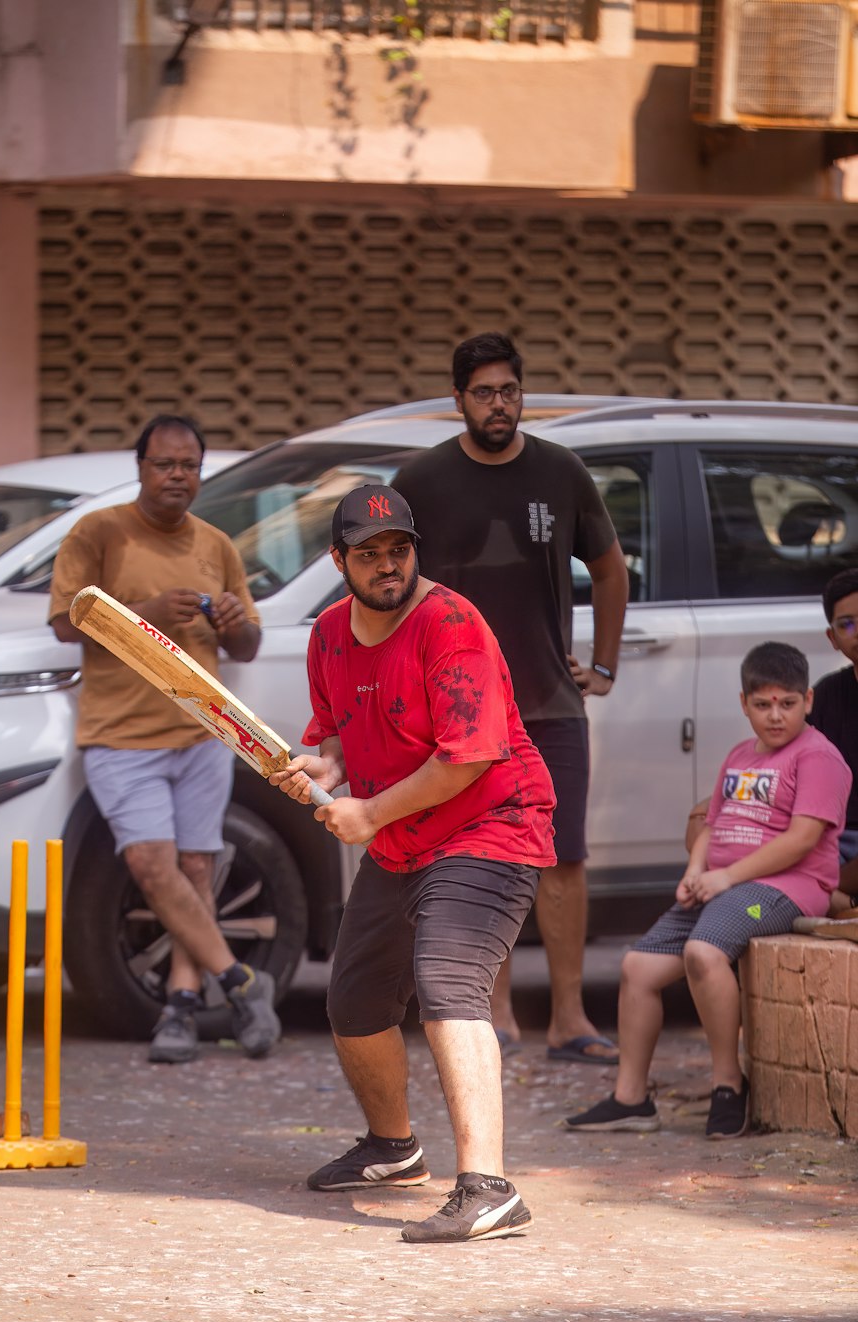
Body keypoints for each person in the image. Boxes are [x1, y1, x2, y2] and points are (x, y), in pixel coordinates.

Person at [271, 482, 556, 1243]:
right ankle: (394, 1149)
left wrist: (366, 813)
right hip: (407, 838)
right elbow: (336, 735)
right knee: (355, 999)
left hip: (490, 823)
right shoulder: (329, 633)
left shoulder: (451, 623)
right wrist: (323, 769)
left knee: (448, 982)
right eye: (369, 555)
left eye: (399, 550)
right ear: (340, 561)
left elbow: (467, 761)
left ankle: (488, 1187)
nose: (388, 566)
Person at [393, 331, 629, 1065]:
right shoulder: (422, 479)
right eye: (485, 392)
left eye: (510, 391)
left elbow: (611, 567)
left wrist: (605, 667)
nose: (500, 405)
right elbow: (389, 585)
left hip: (551, 700)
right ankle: (494, 1014)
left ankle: (569, 1017)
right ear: (458, 399)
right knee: (477, 855)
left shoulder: (560, 471)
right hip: (459, 712)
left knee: (563, 858)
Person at [49, 414, 280, 1064]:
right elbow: (66, 622)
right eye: (165, 464)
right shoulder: (99, 532)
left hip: (204, 730)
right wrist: (144, 617)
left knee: (198, 867)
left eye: (189, 466)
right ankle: (238, 981)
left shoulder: (217, 544)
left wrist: (235, 623)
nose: (178, 475)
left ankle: (180, 1004)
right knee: (153, 866)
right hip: (120, 738)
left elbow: (250, 644)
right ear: (141, 468)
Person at [566, 641, 851, 1140]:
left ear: (808, 700)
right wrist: (695, 871)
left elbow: (802, 839)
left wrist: (726, 878)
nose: (776, 716)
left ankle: (727, 1085)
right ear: (744, 704)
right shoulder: (740, 756)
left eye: (787, 703)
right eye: (763, 705)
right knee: (638, 967)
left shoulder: (818, 757)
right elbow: (714, 825)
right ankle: (631, 1098)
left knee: (703, 952)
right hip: (724, 886)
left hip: (786, 887)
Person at [809, 568, 858, 913]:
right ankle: (843, 903)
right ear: (832, 637)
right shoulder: (826, 695)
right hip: (833, 841)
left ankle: (830, 897)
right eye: (848, 624)